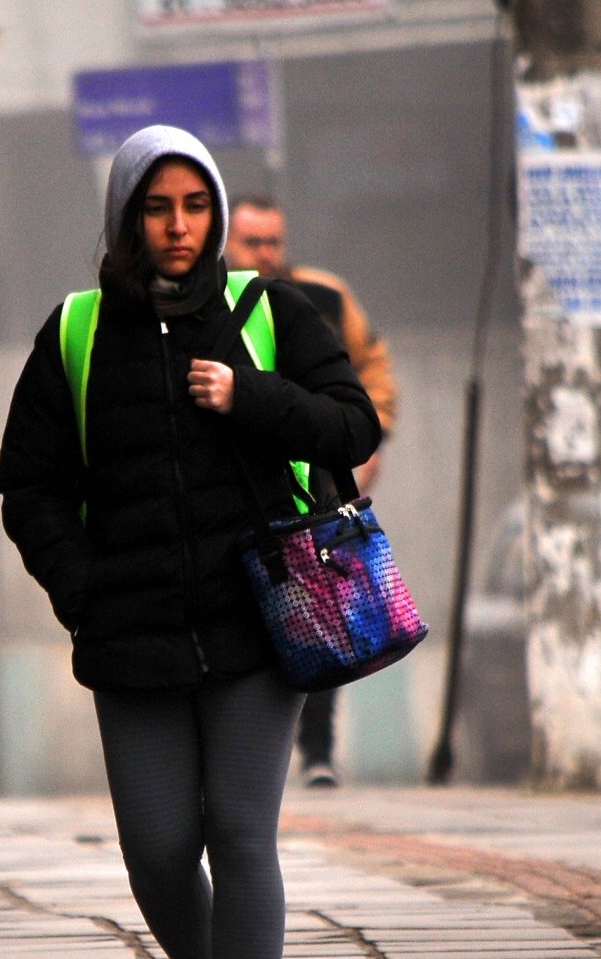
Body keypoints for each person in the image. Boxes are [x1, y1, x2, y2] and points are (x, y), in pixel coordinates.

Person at [0, 127, 381, 959]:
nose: (178, 227)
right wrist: (84, 589)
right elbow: (28, 488)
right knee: (160, 846)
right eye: (157, 209)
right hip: (134, 637)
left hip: (261, 623)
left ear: (214, 216)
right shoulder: (75, 334)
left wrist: (249, 396)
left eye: (193, 206)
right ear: (125, 220)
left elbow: (352, 425)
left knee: (241, 832)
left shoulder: (268, 313)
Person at [226, 194, 399, 790]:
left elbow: (371, 364)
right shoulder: (210, 306)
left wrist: (371, 439)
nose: (267, 253)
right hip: (239, 489)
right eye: (253, 242)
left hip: (316, 484)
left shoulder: (321, 297)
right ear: (226, 242)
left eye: (274, 240)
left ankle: (318, 751)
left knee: (325, 610)